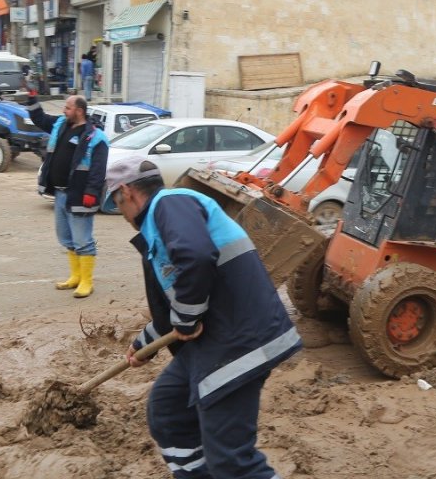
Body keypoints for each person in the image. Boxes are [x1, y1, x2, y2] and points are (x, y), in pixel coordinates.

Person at [105, 155, 301, 479]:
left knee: (231, 460)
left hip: (239, 342)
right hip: (213, 339)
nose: (120, 213)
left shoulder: (170, 204)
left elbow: (195, 257)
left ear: (126, 191)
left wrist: (185, 319)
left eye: (115, 203)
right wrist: (143, 345)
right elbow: (177, 307)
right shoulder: (158, 227)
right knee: (169, 411)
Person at [26, 93, 108, 298]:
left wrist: (92, 193)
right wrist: (32, 99)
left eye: (68, 107)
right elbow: (40, 119)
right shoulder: (61, 124)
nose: (64, 110)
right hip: (60, 193)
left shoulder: (96, 137)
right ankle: (76, 277)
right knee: (66, 238)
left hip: (80, 195)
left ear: (79, 111)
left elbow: (98, 170)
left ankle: (87, 282)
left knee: (83, 240)